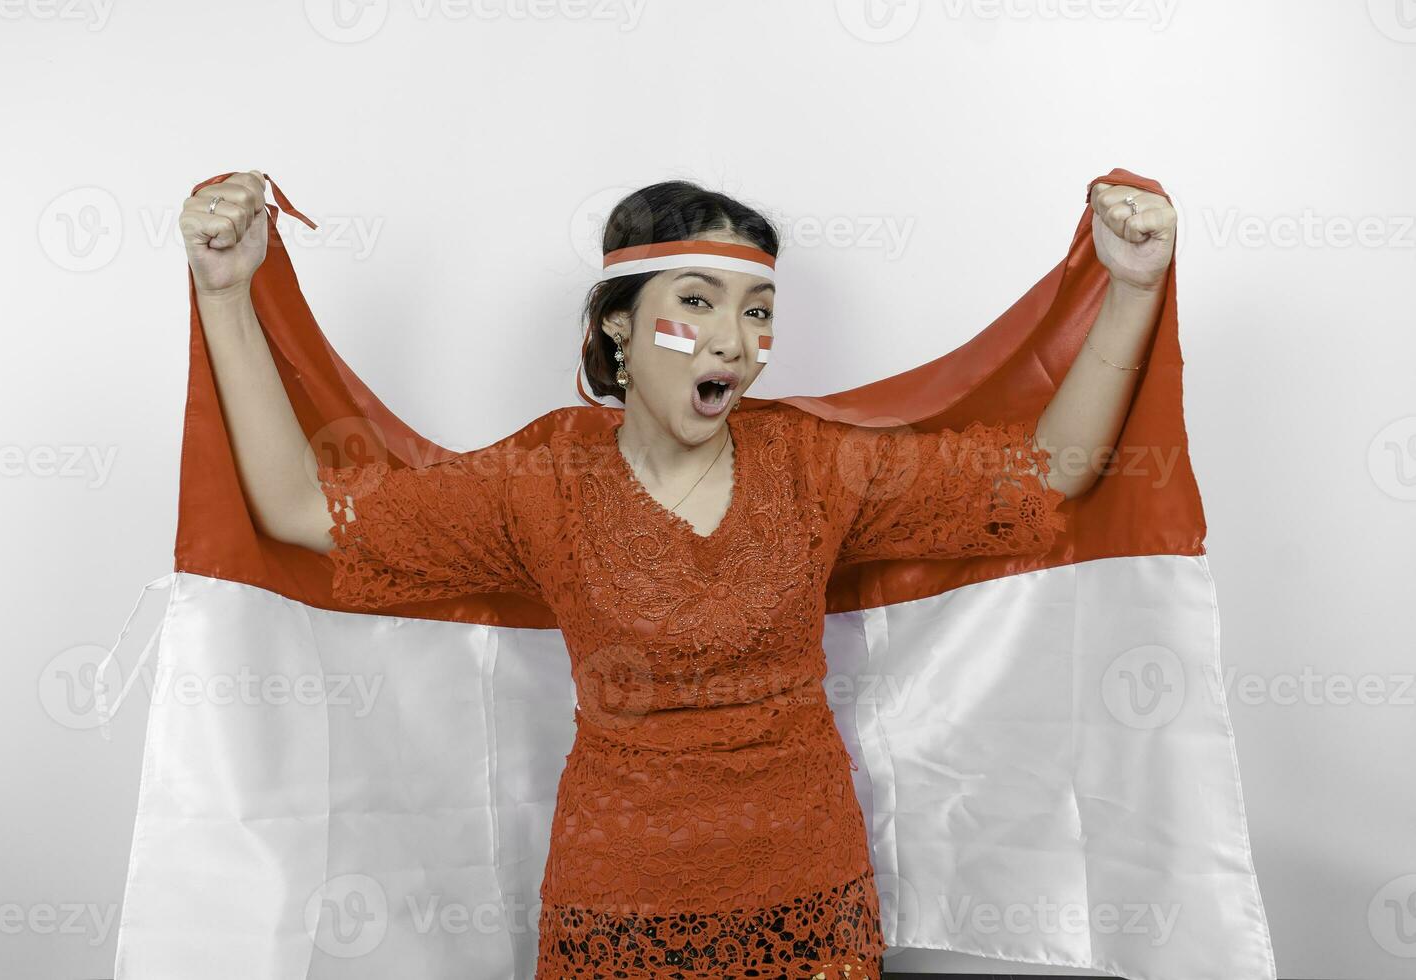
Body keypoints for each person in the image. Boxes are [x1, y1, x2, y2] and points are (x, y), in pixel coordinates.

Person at [177, 169, 1175, 979]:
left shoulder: (821, 463)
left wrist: (1131, 287)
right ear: (619, 322)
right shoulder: (544, 479)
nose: (734, 343)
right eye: (695, 302)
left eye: (758, 310)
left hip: (807, 908)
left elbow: (1047, 479)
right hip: (619, 912)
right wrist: (226, 294)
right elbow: (303, 511)